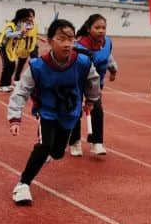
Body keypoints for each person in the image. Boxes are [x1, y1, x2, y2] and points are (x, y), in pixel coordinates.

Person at [7, 18, 101, 205]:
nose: (67, 44)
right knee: (44, 144)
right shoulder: (38, 66)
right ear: (49, 41)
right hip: (47, 111)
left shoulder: (82, 62)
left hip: (70, 112)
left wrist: (91, 100)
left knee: (57, 152)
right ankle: (23, 184)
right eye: (61, 39)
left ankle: (49, 152)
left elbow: (93, 80)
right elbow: (21, 90)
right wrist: (15, 117)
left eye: (71, 39)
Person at [69, 14, 118, 157]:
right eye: (97, 28)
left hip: (96, 83)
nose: (101, 31)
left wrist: (113, 70)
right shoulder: (80, 46)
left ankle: (97, 143)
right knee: (75, 111)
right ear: (89, 29)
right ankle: (75, 142)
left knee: (97, 110)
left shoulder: (107, 43)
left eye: (103, 28)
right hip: (78, 81)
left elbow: (108, 57)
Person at [0, 9, 30, 92]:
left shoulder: (20, 25)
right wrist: (20, 32)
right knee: (7, 65)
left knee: (12, 65)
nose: (27, 19)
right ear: (22, 17)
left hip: (11, 49)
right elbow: (8, 34)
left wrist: (22, 34)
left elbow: (18, 37)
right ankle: (2, 85)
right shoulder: (11, 25)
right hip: (4, 47)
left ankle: (8, 84)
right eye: (26, 17)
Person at [14, 9, 40, 85]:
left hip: (33, 46)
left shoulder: (35, 25)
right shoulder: (22, 24)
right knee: (21, 63)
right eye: (28, 16)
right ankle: (16, 79)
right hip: (24, 47)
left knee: (35, 63)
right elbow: (18, 34)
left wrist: (41, 38)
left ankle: (35, 79)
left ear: (34, 17)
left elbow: (35, 34)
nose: (30, 18)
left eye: (31, 16)